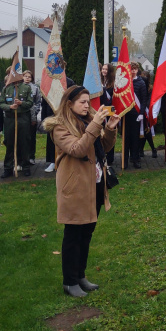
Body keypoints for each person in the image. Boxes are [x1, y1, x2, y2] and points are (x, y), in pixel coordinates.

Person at [43, 85, 120, 298]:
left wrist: (110, 128)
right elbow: (77, 149)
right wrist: (95, 125)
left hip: (94, 184)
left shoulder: (88, 121)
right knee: (73, 235)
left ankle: (80, 275)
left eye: (88, 102)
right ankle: (69, 281)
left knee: (87, 233)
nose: (87, 106)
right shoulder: (59, 126)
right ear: (69, 104)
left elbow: (102, 148)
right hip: (75, 187)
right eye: (82, 102)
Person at [0, 72, 33, 178]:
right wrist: (9, 107)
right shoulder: (6, 88)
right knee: (9, 143)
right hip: (10, 119)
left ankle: (26, 167)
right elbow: (1, 103)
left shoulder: (26, 88)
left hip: (23, 118)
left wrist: (21, 103)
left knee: (24, 143)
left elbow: (30, 103)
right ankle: (8, 168)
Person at [40, 73, 75, 173]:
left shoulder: (69, 82)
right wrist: (44, 118)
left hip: (65, 115)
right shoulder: (48, 81)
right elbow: (44, 102)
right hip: (51, 114)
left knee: (65, 138)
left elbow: (73, 98)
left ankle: (65, 160)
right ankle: (52, 161)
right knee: (51, 139)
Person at [123, 62, 148, 169]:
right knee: (126, 139)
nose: (133, 71)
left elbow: (144, 100)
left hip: (136, 115)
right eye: (131, 69)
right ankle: (125, 160)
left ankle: (135, 159)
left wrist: (141, 113)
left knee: (135, 139)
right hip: (126, 115)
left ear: (137, 70)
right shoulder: (124, 82)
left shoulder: (141, 83)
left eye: (135, 69)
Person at [23, 70, 41, 165]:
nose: (27, 78)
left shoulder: (35, 88)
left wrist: (35, 112)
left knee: (31, 137)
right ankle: (22, 157)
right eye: (25, 76)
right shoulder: (19, 87)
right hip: (22, 116)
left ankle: (31, 156)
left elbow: (38, 102)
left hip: (32, 116)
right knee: (22, 137)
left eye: (29, 77)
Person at [99, 63, 115, 166]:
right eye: (103, 69)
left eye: (106, 69)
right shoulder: (99, 82)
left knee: (109, 133)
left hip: (109, 112)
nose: (104, 71)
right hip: (101, 112)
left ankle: (110, 158)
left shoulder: (113, 84)